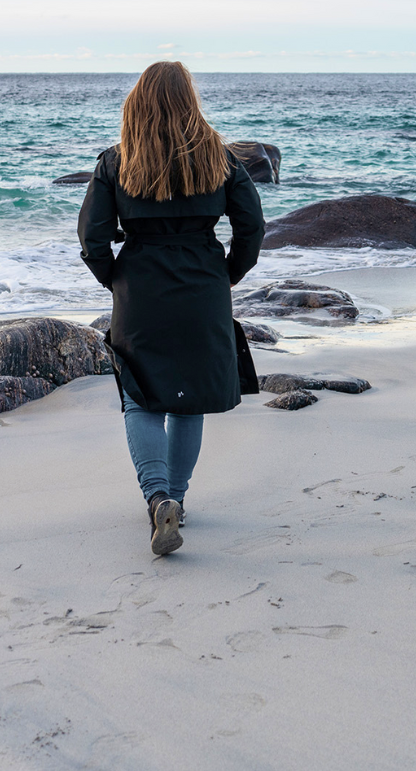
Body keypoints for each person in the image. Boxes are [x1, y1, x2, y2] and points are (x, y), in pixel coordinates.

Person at [78, 61, 264, 556]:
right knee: (190, 399)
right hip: (203, 286)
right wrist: (227, 274)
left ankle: (157, 497)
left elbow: (92, 239)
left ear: (137, 102)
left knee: (140, 397)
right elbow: (252, 229)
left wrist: (114, 279)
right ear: (191, 102)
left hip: (140, 291)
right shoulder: (221, 160)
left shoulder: (116, 162)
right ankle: (176, 501)